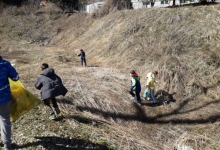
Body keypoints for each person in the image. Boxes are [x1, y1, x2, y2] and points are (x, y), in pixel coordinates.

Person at [0, 55, 19, 150]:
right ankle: (7, 145)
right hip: (3, 98)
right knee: (4, 120)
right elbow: (16, 78)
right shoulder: (5, 64)